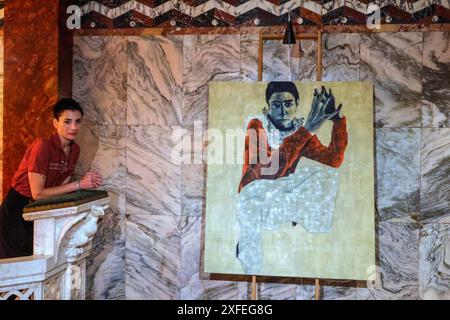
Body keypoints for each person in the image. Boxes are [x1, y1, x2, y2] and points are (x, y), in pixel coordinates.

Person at [236, 81, 348, 274]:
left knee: (326, 175)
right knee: (251, 259)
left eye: (288, 104)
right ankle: (247, 256)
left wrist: (337, 120)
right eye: (276, 105)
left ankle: (298, 219)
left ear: (296, 104)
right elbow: (265, 171)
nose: (283, 111)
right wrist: (307, 131)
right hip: (253, 196)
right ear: (268, 107)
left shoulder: (299, 131)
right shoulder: (257, 125)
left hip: (279, 196)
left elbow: (334, 160)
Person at [0, 98, 103, 259]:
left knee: (44, 264)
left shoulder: (74, 149)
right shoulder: (43, 146)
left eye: (78, 121)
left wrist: (85, 184)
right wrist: (80, 184)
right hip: (18, 208)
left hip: (42, 209)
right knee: (18, 266)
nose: (74, 127)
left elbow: (62, 187)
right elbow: (37, 193)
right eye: (67, 122)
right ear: (55, 122)